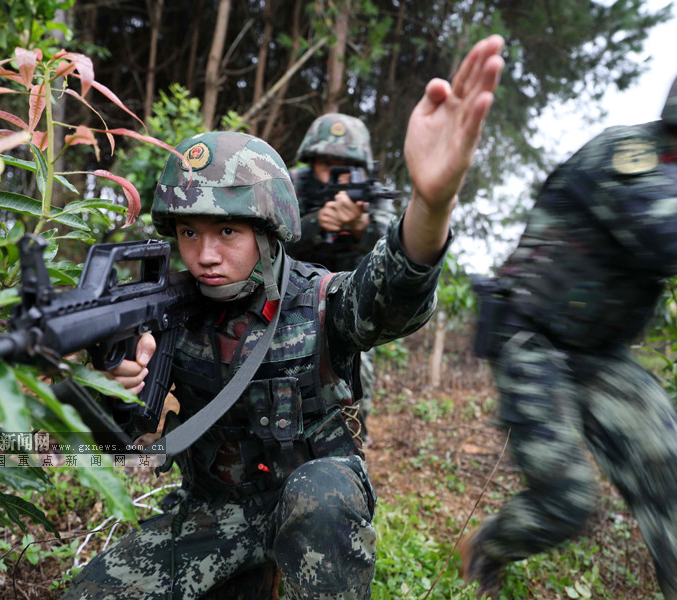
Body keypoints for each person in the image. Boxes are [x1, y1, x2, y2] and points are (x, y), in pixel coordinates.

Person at [62, 34, 505, 600]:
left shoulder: (318, 299)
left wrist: (431, 205)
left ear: (268, 235)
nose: (205, 254)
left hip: (312, 500)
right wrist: (113, 385)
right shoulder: (171, 309)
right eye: (188, 232)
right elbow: (120, 438)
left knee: (321, 497)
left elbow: (388, 296)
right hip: (213, 511)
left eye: (227, 231)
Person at [459, 50, 677, 600]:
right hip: (531, 342)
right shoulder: (627, 155)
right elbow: (668, 240)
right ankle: (489, 547)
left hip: (602, 356)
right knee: (566, 502)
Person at [286, 112, 398, 445]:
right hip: (289, 303)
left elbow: (397, 255)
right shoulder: (291, 185)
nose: (336, 173)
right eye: (327, 163)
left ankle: (348, 453)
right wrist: (315, 224)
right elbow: (264, 240)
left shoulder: (370, 197)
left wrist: (364, 229)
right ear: (311, 160)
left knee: (354, 386)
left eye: (345, 164)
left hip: (351, 308)